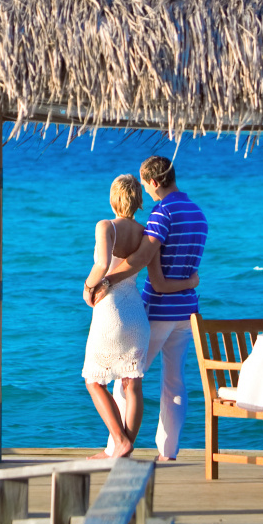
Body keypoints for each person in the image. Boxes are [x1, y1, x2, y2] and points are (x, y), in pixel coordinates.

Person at [108, 155, 207, 462]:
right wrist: (190, 283)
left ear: (153, 182)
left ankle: (116, 448)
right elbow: (187, 272)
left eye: (146, 187)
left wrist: (106, 281)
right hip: (187, 313)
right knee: (175, 381)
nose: (146, 194)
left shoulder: (162, 213)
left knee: (126, 380)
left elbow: (146, 264)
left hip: (159, 311)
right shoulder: (198, 214)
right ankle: (169, 451)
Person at [81, 175, 151, 458]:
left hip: (110, 311)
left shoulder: (105, 226)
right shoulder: (145, 231)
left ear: (113, 199)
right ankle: (125, 447)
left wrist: (88, 286)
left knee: (94, 380)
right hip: (136, 312)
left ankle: (119, 442)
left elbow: (101, 263)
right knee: (132, 383)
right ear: (138, 201)